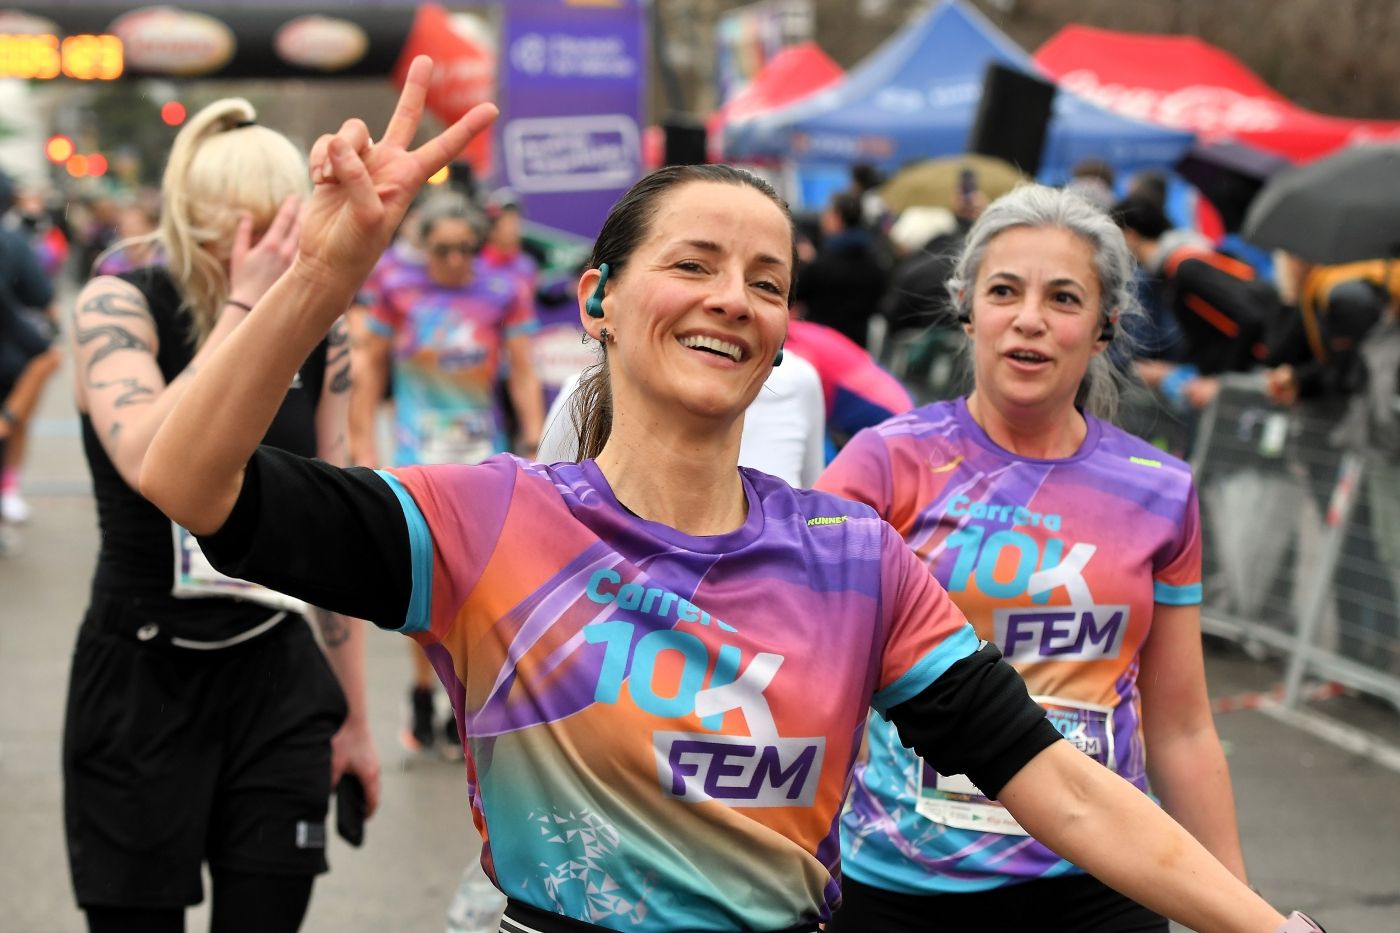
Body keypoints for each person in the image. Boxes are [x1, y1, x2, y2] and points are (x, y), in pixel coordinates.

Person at [140, 59, 1315, 933]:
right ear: (597, 298)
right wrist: (316, 282)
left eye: (766, 280)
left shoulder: (852, 560)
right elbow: (195, 485)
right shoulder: (486, 518)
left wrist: (1263, 928)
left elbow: (1062, 785)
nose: (731, 299)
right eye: (691, 264)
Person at [819, 185, 1254, 932]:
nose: (1029, 319)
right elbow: (807, 679)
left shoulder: (1160, 490)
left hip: (1101, 883)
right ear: (967, 308)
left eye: (1063, 298)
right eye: (1004, 291)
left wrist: (1242, 913)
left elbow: (1180, 726)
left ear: (1105, 325)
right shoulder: (885, 463)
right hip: (901, 887)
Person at [62, 97, 379, 933]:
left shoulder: (320, 330)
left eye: (292, 229)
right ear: (203, 227)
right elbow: (147, 461)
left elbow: (335, 528)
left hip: (273, 669)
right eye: (262, 234)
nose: (284, 253)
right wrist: (244, 309)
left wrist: (356, 719)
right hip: (141, 669)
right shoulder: (120, 302)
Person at [351, 191, 545, 755]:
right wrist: (363, 446)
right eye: (442, 250)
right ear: (424, 249)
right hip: (417, 455)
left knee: (479, 585)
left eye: (465, 249)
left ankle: (468, 697)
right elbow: (367, 371)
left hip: (483, 454)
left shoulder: (503, 291)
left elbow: (525, 373)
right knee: (425, 580)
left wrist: (533, 440)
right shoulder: (397, 289)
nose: (455, 261)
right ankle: (421, 694)